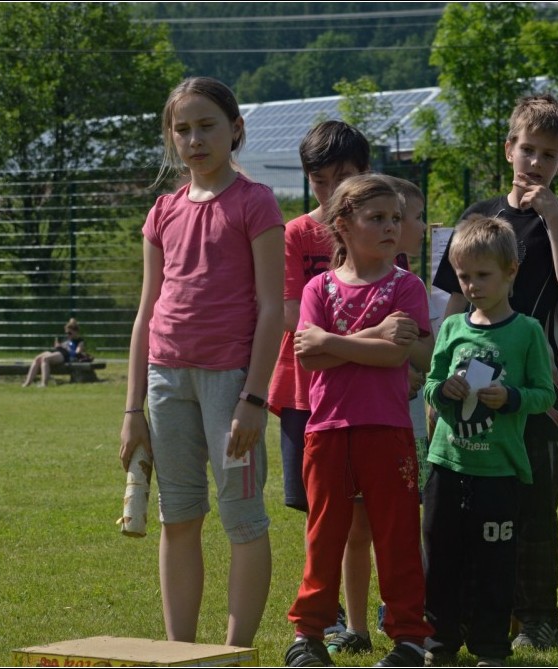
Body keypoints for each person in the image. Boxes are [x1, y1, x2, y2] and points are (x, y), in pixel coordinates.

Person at [118, 76, 284, 647]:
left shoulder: (256, 202)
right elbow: (146, 313)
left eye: (207, 126)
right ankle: (180, 653)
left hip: (231, 387)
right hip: (165, 383)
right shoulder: (162, 211)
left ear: (235, 130)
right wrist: (132, 411)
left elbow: (271, 309)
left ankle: (235, 653)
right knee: (178, 516)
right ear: (171, 137)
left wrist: (254, 398)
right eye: (182, 129)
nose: (194, 140)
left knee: (243, 520)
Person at [432, 93, 558, 650]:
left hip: (537, 385)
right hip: (472, 385)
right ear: (509, 150)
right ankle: (473, 613)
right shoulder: (479, 217)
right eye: (528, 150)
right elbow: (454, 301)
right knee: (469, 500)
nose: (536, 162)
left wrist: (553, 218)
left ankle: (538, 616)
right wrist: (439, 374)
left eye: (550, 154)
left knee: (535, 504)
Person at [285, 174, 434, 668]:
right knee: (324, 535)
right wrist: (374, 334)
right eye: (377, 218)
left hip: (387, 432)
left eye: (396, 218)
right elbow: (309, 357)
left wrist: (332, 341)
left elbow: (396, 355)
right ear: (343, 226)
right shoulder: (318, 288)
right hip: (326, 431)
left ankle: (409, 638)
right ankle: (309, 635)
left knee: (396, 535)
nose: (391, 227)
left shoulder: (406, 286)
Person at [422, 214, 556, 667]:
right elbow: (430, 385)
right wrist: (444, 390)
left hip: (498, 471)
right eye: (464, 277)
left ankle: (491, 647)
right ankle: (440, 644)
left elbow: (545, 395)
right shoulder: (452, 327)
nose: (472, 286)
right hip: (447, 466)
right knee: (441, 558)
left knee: (494, 563)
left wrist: (511, 397)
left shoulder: (527, 331)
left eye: (483, 275)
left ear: (510, 272)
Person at [266, 119, 370, 643]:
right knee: (320, 514)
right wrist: (359, 337)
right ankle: (325, 613)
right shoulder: (294, 234)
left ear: (364, 174)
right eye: (320, 181)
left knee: (361, 516)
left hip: (365, 395)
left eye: (343, 179)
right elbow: (290, 316)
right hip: (304, 394)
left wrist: (338, 339)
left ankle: (359, 617)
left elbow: (395, 307)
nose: (331, 194)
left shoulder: (379, 228)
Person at [22, 318, 87, 387]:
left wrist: (66, 348)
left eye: (70, 333)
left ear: (76, 332)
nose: (68, 335)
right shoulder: (66, 339)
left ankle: (44, 383)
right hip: (57, 351)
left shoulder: (79, 341)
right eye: (66, 333)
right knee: (37, 359)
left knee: (45, 359)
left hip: (65, 354)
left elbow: (76, 353)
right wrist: (57, 345)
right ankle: (27, 383)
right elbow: (58, 347)